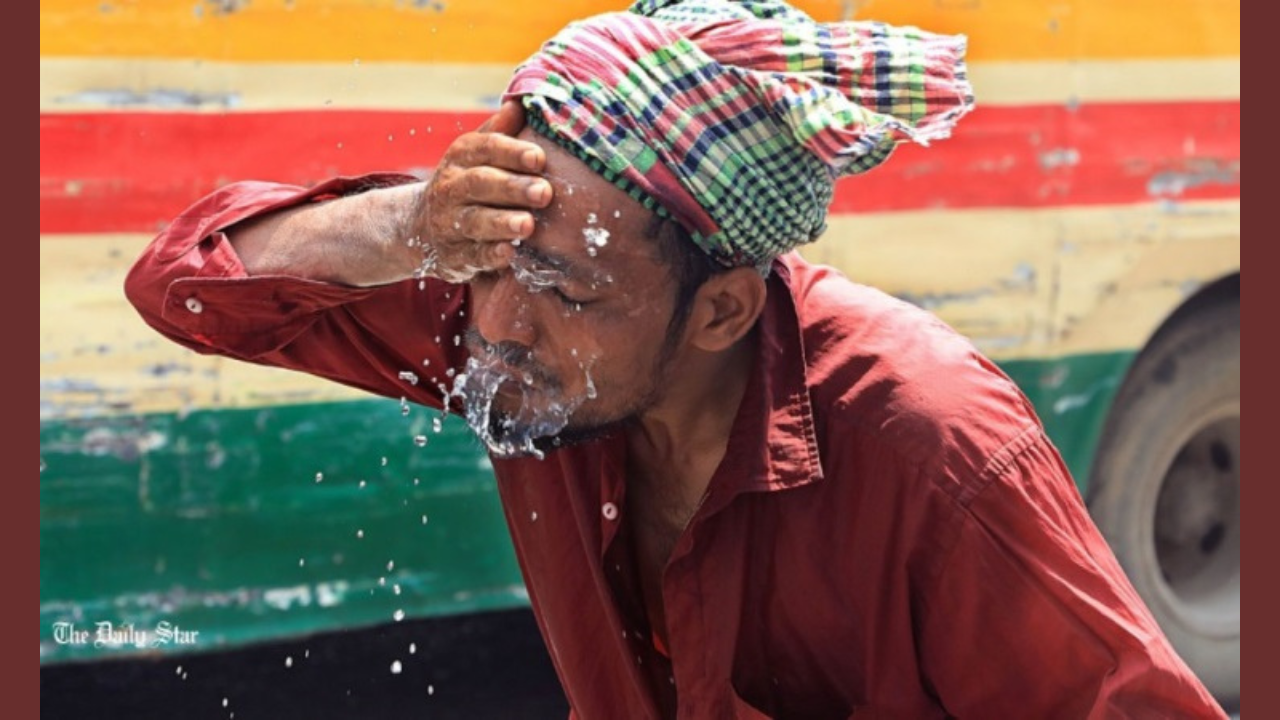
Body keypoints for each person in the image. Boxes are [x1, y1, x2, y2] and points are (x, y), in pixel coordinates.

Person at [124, 0, 1227, 717]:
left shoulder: (932, 448)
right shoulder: (518, 329)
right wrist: (408, 226)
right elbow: (186, 291)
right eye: (479, 260)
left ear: (722, 311)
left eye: (561, 289)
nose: (495, 321)